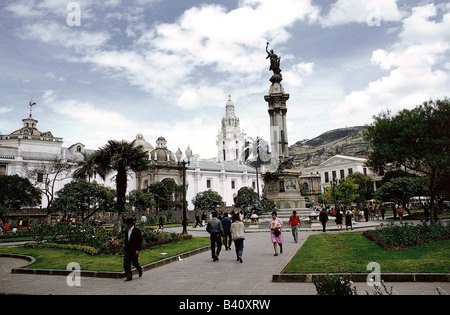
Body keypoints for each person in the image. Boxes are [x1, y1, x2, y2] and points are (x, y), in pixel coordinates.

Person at [123, 218, 143, 282]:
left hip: (134, 250)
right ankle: (129, 276)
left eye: (127, 224)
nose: (126, 225)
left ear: (130, 224)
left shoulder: (137, 231)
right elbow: (126, 240)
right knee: (126, 263)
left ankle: (139, 269)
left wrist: (137, 249)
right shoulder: (126, 231)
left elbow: (139, 241)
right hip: (127, 250)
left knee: (134, 263)